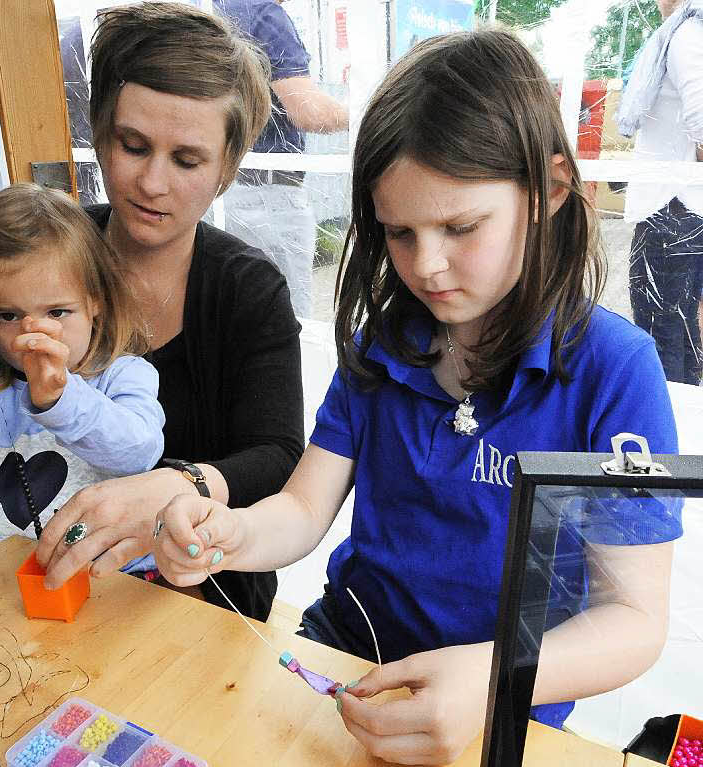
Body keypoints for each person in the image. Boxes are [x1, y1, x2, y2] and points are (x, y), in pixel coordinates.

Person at [152, 30, 680, 765]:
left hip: (501, 704)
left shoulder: (615, 373)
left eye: (460, 227)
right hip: (347, 662)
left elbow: (632, 616)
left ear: (551, 191)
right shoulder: (385, 341)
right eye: (399, 232)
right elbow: (305, 508)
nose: (426, 267)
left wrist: (489, 676)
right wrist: (230, 533)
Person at [0, 2, 304, 621]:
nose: (152, 183)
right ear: (101, 131)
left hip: (193, 586)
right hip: (22, 566)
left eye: (187, 160)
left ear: (227, 167)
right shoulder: (37, 253)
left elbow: (275, 458)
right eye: (131, 145)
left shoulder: (247, 290)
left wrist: (179, 485)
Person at [0, 183, 163, 566]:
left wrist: (61, 402)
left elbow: (139, 454)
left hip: (110, 572)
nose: (32, 333)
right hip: (1, 572)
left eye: (57, 312)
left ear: (95, 301)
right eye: (7, 316)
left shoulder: (123, 375)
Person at [217, 0, 350, 319]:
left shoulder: (212, 9)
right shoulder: (266, 16)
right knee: (288, 317)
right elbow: (308, 111)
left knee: (237, 309)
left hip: (224, 190)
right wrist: (365, 112)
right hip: (270, 198)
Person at [617, 0, 703, 385]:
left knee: (662, 336)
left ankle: (670, 437)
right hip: (679, 209)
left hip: (673, 211)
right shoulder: (686, 33)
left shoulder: (685, 36)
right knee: (679, 337)